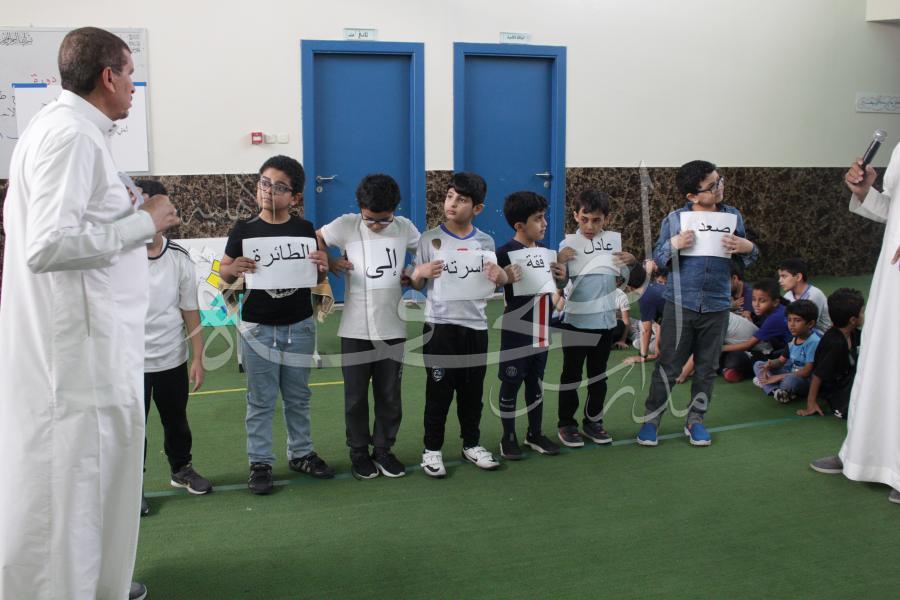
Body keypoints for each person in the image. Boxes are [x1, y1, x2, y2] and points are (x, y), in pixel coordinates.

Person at [0, 27, 179, 600]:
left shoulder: (73, 131)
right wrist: (144, 222)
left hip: (93, 344)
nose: (133, 88)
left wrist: (129, 215)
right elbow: (46, 245)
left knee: (94, 475)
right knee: (75, 478)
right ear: (108, 76)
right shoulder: (70, 136)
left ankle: (97, 583)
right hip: (77, 354)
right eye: (130, 75)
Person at [220, 155, 334, 495]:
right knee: (261, 399)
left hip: (299, 325)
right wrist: (233, 268)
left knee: (298, 395)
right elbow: (223, 270)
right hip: (257, 328)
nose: (269, 191)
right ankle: (260, 462)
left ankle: (301, 453)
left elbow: (317, 275)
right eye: (265, 183)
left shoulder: (305, 230)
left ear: (295, 196)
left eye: (280, 187)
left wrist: (323, 264)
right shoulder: (243, 230)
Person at [635, 160, 758, 447]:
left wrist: (748, 247)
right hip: (680, 303)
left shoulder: (732, 215)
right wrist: (674, 245)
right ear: (692, 195)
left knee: (707, 368)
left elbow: (748, 258)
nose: (719, 187)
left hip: (717, 305)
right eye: (712, 186)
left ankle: (695, 421)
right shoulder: (676, 219)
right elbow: (658, 259)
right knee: (668, 365)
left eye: (720, 180)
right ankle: (651, 421)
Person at [810, 144, 900, 503]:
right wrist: (864, 191)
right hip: (892, 276)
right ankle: (864, 456)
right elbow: (892, 210)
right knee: (880, 362)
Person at [317, 174, 420, 480]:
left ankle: (384, 450)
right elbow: (315, 237)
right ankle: (359, 452)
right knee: (355, 397)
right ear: (359, 208)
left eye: (383, 220)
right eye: (370, 219)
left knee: (390, 395)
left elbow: (427, 253)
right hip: (354, 329)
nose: (375, 225)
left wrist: (413, 272)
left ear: (395, 210)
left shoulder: (405, 228)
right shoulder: (346, 224)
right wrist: (331, 261)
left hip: (393, 328)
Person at [409, 172, 506, 477]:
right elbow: (415, 282)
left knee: (472, 393)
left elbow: (494, 282)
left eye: (461, 199)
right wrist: (420, 272)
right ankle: (432, 450)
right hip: (439, 327)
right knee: (438, 391)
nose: (452, 203)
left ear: (477, 208)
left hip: (476, 328)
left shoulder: (485, 241)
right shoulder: (429, 239)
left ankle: (471, 444)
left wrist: (498, 277)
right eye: (449, 196)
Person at [136, 179, 212, 513]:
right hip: (130, 363)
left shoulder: (179, 257)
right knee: (132, 428)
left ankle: (181, 469)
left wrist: (197, 357)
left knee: (176, 420)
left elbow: (189, 309)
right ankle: (131, 486)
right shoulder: (119, 258)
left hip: (171, 358)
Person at [554, 190, 636, 447]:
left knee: (598, 377)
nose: (590, 226)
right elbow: (560, 284)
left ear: (606, 219)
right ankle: (566, 424)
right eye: (585, 219)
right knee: (571, 375)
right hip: (576, 322)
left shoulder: (612, 245)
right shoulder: (567, 246)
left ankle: (593, 422)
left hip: (605, 322)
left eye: (597, 220)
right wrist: (559, 264)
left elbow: (629, 278)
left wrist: (632, 262)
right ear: (575, 216)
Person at [496, 191, 564, 459]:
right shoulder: (504, 253)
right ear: (519, 225)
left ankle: (534, 433)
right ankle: (508, 437)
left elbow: (555, 287)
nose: (544, 223)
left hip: (542, 329)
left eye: (544, 217)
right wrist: (503, 277)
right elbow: (491, 285)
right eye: (538, 218)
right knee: (511, 383)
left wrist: (562, 276)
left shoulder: (546, 253)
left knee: (536, 382)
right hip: (516, 332)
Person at [797, 288, 864, 419]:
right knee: (853, 411)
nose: (864, 315)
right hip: (835, 389)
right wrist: (811, 403)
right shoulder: (834, 343)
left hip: (850, 379)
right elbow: (818, 375)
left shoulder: (855, 333)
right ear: (852, 320)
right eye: (862, 312)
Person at [720, 279, 791, 382]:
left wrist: (719, 348)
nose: (756, 304)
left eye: (762, 301)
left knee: (740, 356)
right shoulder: (777, 310)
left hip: (787, 355)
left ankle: (744, 372)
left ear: (775, 302)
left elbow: (748, 345)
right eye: (753, 299)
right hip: (782, 348)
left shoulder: (775, 317)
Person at [752, 299, 820, 403]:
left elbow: (806, 372)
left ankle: (775, 386)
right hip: (789, 372)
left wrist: (778, 377)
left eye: (797, 320)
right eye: (789, 320)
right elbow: (781, 361)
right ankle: (776, 391)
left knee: (790, 381)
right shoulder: (793, 339)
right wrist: (771, 364)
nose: (791, 325)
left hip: (804, 380)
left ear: (810, 323)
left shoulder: (814, 342)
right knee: (759, 365)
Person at [777, 258, 832, 333]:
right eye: (780, 277)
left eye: (784, 276)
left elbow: (808, 326)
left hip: (820, 335)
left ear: (798, 277)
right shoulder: (787, 296)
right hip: (798, 333)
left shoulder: (814, 294)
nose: (779, 280)